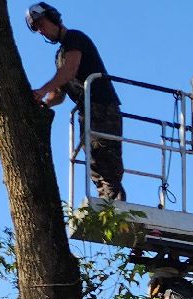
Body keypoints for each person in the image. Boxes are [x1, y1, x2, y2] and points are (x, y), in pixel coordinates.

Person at [26, 3, 125, 202]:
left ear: (53, 17)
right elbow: (58, 94)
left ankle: (114, 208)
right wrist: (43, 102)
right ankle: (106, 201)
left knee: (106, 162)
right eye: (37, 30)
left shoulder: (75, 38)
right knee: (95, 165)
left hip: (102, 108)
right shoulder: (59, 56)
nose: (42, 32)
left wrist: (42, 89)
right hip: (86, 111)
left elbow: (70, 71)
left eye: (42, 25)